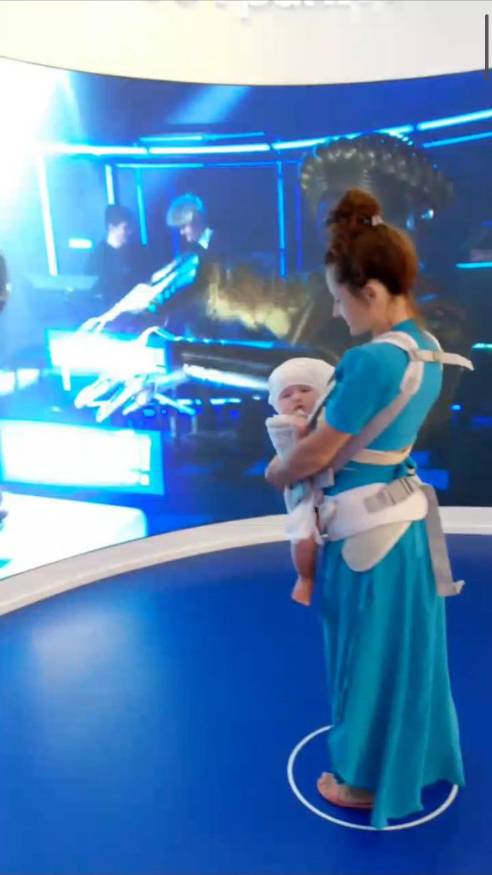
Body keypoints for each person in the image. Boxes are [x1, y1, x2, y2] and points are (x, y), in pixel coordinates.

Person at [266, 189, 469, 828]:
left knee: (364, 657)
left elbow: (318, 453)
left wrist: (278, 469)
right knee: (405, 655)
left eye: (339, 295)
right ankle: (413, 760)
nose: (335, 308)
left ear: (372, 291)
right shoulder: (426, 349)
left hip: (363, 538)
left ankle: (360, 780)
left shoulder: (371, 361)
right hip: (401, 527)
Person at [266, 358, 334, 606]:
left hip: (332, 489)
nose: (297, 398)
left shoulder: (332, 419)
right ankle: (305, 577)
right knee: (303, 533)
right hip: (303, 491)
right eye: (287, 395)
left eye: (305, 390)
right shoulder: (281, 424)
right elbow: (289, 457)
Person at [85, 205, 149, 309]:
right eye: (125, 228)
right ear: (111, 228)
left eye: (131, 227)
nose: (130, 232)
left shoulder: (138, 253)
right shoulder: (97, 257)